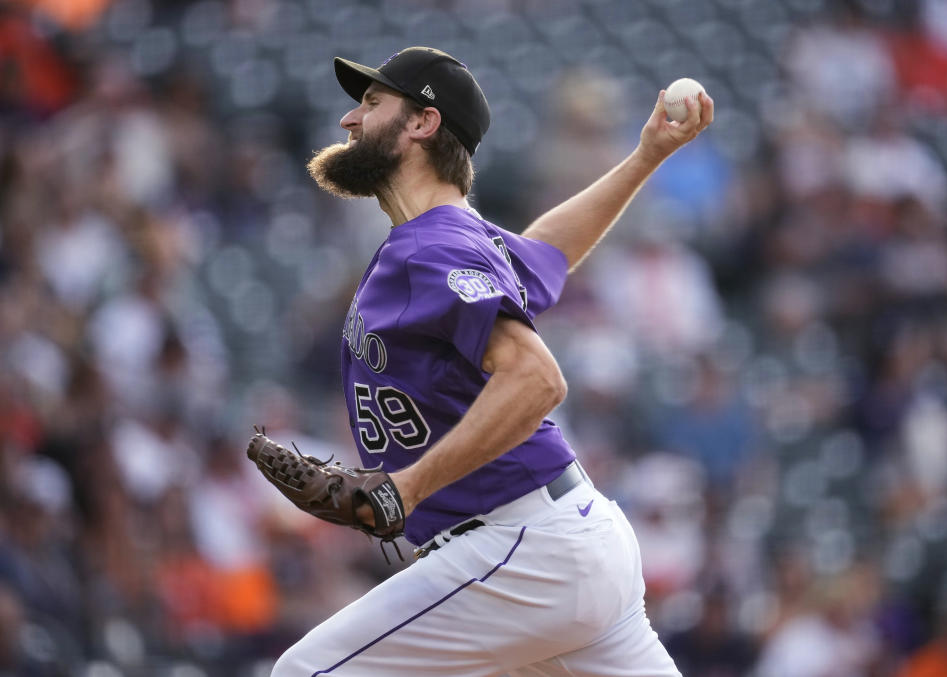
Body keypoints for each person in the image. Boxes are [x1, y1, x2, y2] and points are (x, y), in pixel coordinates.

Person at [273, 46, 713, 677]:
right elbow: (546, 254)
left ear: (423, 123)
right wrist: (647, 156)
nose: (350, 120)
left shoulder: (434, 246)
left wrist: (407, 487)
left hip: (521, 546)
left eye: (372, 104)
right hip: (567, 543)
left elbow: (537, 378)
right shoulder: (461, 236)